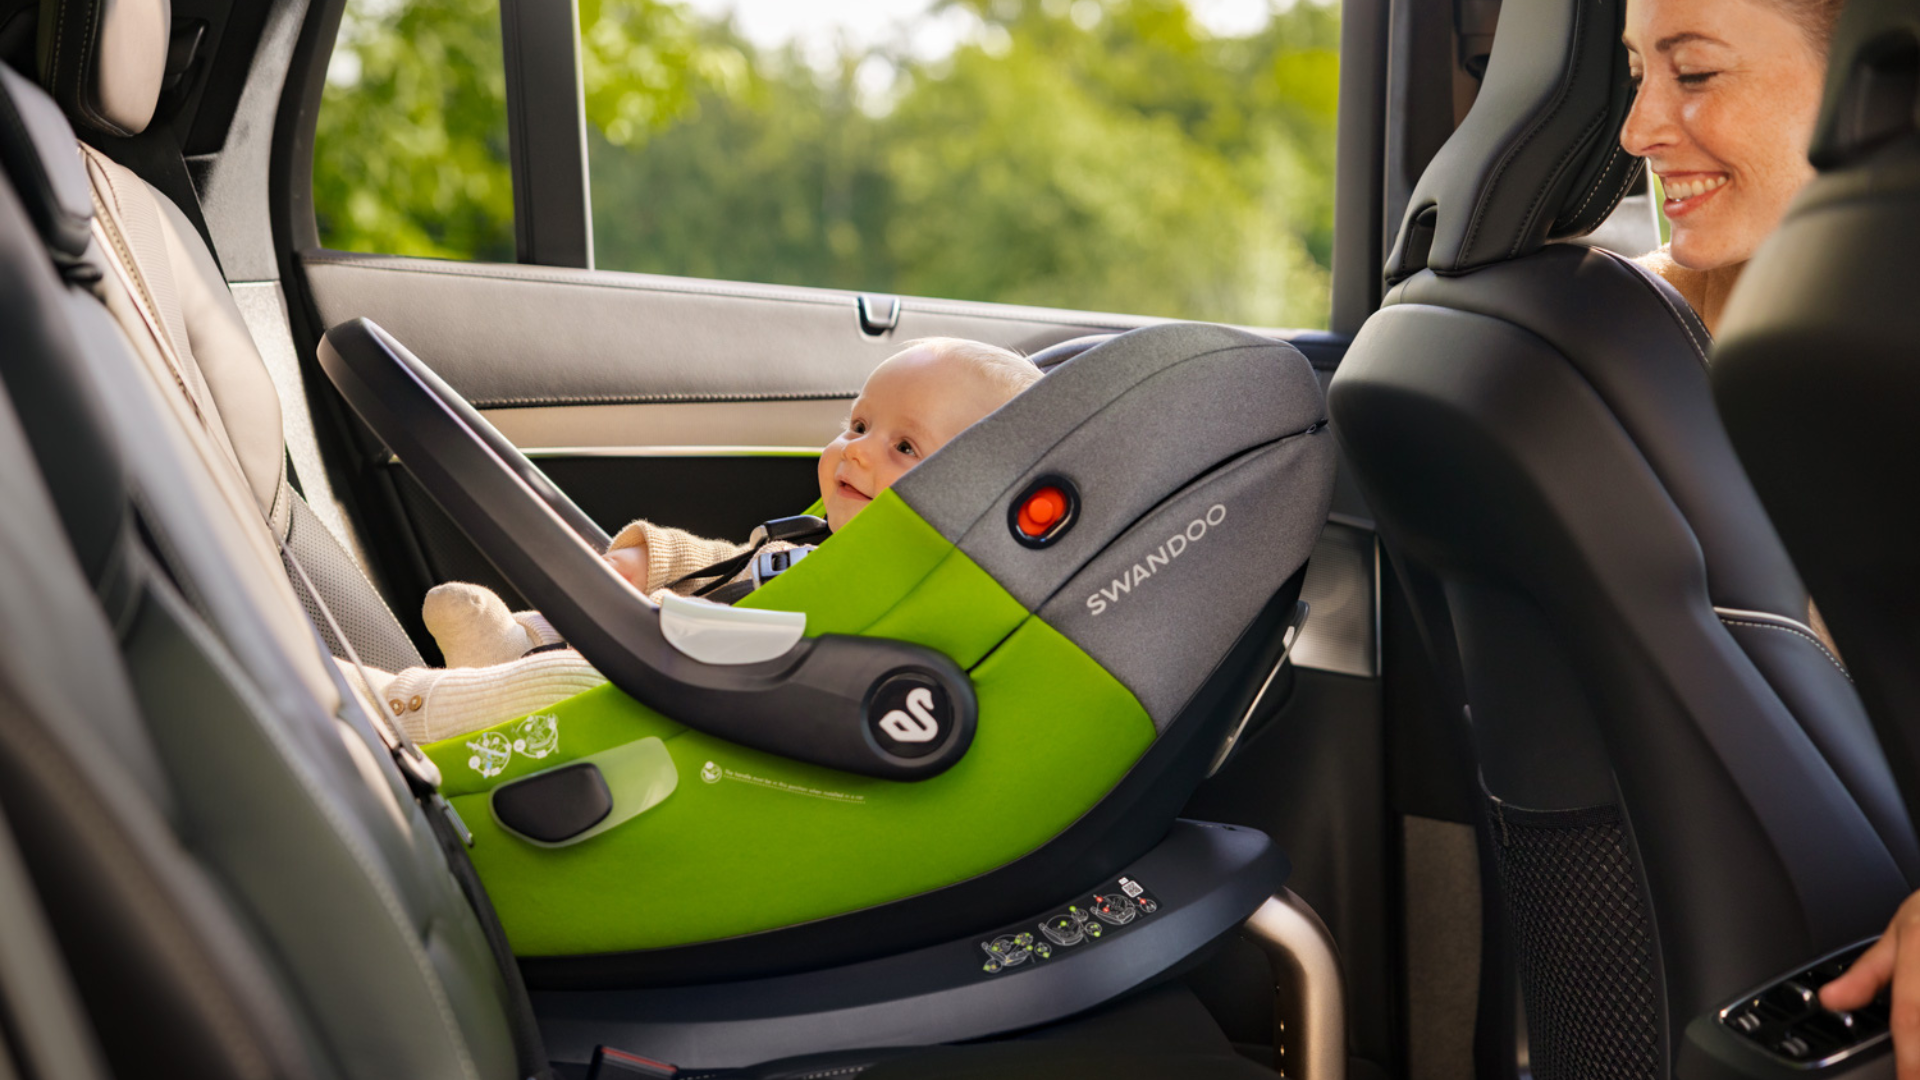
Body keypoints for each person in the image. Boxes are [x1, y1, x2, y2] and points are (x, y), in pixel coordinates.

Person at [1620, 0, 1920, 1071]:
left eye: (1693, 74)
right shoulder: (1620, 345)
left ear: (1878, 92)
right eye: (1634, 71)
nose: (1637, 128)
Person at [346, 337, 1043, 744]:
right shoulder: (825, 536)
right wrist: (654, 561)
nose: (855, 453)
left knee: (582, 682)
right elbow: (734, 565)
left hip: (713, 701)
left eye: (904, 447)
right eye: (856, 426)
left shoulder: (910, 591)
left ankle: (408, 705)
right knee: (582, 629)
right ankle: (513, 647)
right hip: (681, 649)